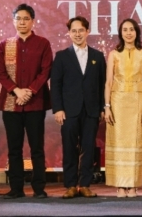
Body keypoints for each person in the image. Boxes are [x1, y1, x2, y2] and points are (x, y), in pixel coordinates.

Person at [0, 3, 53, 199]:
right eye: (18, 19)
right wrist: (16, 90)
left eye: (26, 19)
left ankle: (39, 188)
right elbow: (0, 72)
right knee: (14, 149)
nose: (22, 22)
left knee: (37, 148)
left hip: (36, 103)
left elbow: (46, 70)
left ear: (33, 21)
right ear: (13, 21)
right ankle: (16, 188)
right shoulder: (5, 45)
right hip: (11, 104)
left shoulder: (43, 43)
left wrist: (30, 91)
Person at [51, 16, 107, 199]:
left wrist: (102, 108)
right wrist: (58, 109)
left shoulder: (98, 56)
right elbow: (55, 85)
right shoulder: (61, 56)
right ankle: (70, 185)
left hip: (91, 110)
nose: (77, 34)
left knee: (88, 148)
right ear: (69, 33)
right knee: (69, 148)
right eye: (73, 31)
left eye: (81, 30)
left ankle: (84, 185)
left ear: (87, 32)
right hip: (68, 111)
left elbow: (102, 84)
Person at [104, 18, 142, 198]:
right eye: (125, 30)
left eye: (132, 29)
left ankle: (133, 185)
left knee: (136, 141)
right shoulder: (114, 54)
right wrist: (107, 107)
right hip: (117, 101)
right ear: (120, 33)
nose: (128, 33)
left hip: (138, 102)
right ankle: (119, 185)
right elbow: (108, 82)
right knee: (118, 141)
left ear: (136, 32)